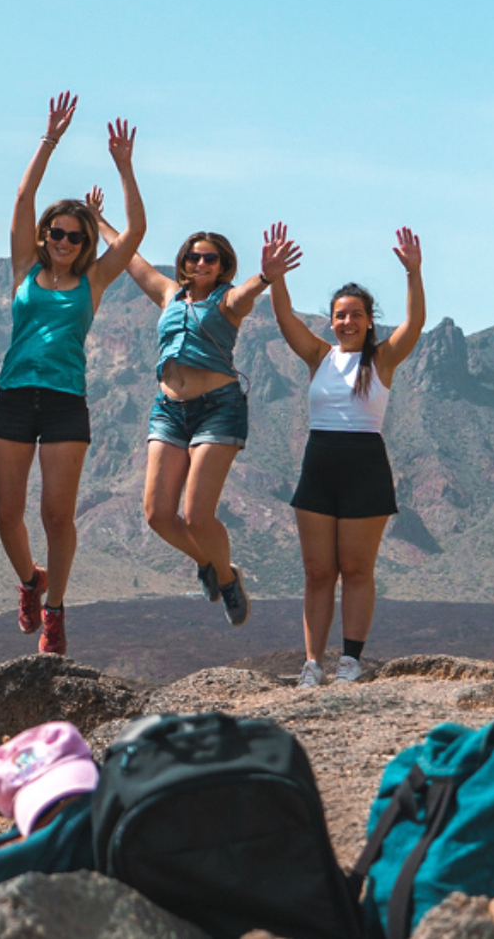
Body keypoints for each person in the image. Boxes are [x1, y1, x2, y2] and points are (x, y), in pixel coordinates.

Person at [0, 93, 145, 656]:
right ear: (43, 236)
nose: (62, 241)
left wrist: (124, 167)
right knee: (7, 514)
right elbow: (23, 197)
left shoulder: (93, 282)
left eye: (74, 236)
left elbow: (135, 231)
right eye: (55, 232)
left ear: (85, 244)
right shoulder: (23, 270)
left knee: (57, 513)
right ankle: (31, 582)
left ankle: (55, 614)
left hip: (63, 403)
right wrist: (49, 139)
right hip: (12, 396)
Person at [118, 204, 292, 629]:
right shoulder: (168, 294)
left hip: (218, 409)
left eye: (209, 258)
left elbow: (247, 291)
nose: (200, 262)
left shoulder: (227, 301)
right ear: (183, 261)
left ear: (222, 266)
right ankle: (208, 563)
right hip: (168, 411)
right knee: (158, 515)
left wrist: (266, 276)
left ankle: (229, 577)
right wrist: (101, 222)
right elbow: (129, 258)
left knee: (196, 514)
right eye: (193, 256)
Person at [268, 228, 426, 687]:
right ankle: (312, 662)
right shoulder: (319, 356)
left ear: (369, 320)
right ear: (331, 321)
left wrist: (414, 274)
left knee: (357, 569)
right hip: (319, 466)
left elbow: (414, 325)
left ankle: (351, 661)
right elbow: (283, 321)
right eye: (339, 315)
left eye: (356, 315)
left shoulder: (383, 360)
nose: (347, 322)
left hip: (365, 468)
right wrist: (276, 278)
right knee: (318, 571)